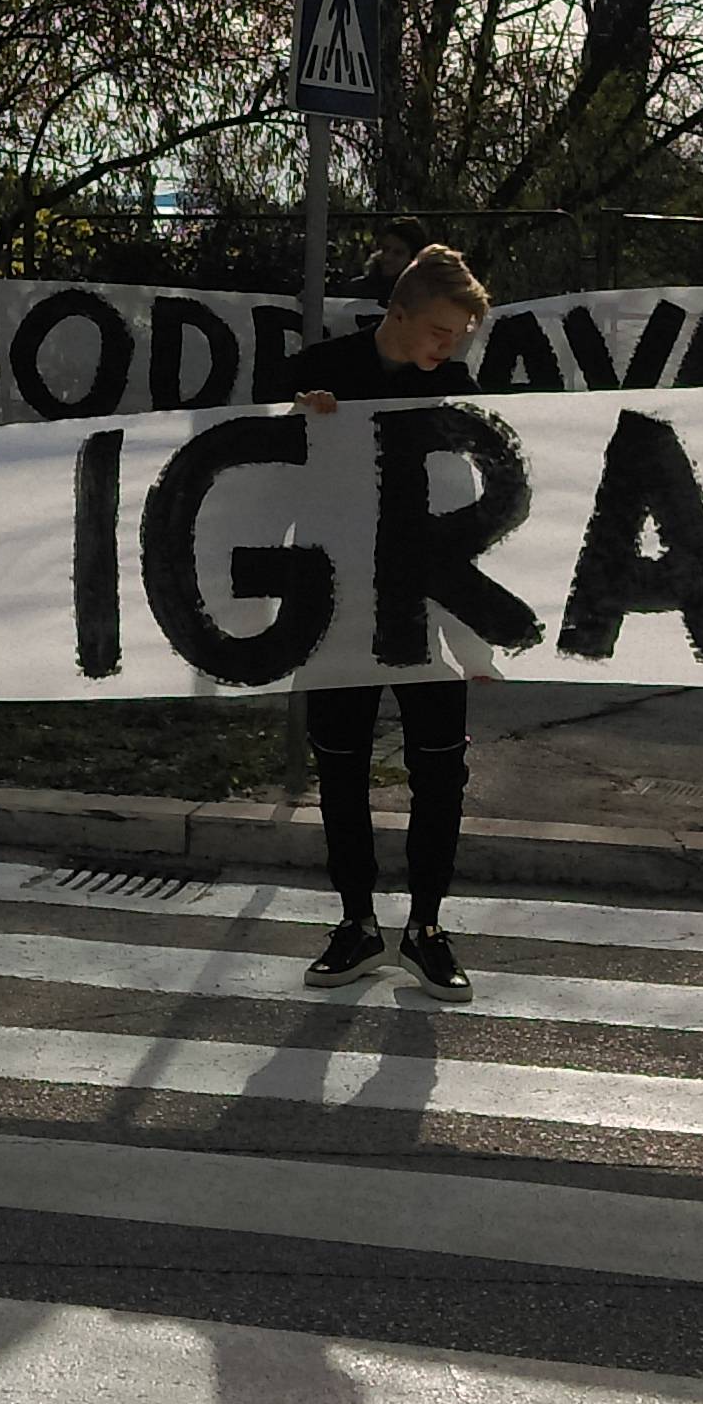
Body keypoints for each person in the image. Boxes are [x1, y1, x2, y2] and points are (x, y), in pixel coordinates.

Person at [271, 242, 491, 1002]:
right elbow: (263, 477)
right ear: (397, 313)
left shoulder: (459, 384)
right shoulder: (317, 370)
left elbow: (477, 498)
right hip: (334, 604)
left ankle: (426, 928)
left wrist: (482, 627)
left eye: (458, 336)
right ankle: (356, 922)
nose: (448, 347)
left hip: (424, 602)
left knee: (440, 770)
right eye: (439, 331)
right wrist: (302, 428)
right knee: (341, 763)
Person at [350, 215, 427, 303]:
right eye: (385, 249)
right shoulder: (357, 290)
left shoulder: (425, 295)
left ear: (414, 258)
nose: (387, 258)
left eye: (398, 253)